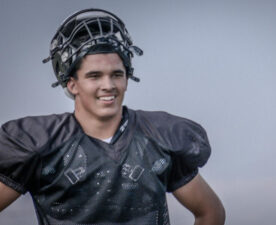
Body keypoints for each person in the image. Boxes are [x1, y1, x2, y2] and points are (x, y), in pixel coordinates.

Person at [0, 8, 225, 225]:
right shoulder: (41, 143)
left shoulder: (158, 137)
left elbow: (210, 212)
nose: (108, 85)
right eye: (94, 76)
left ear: (127, 79)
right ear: (72, 84)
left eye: (117, 74)